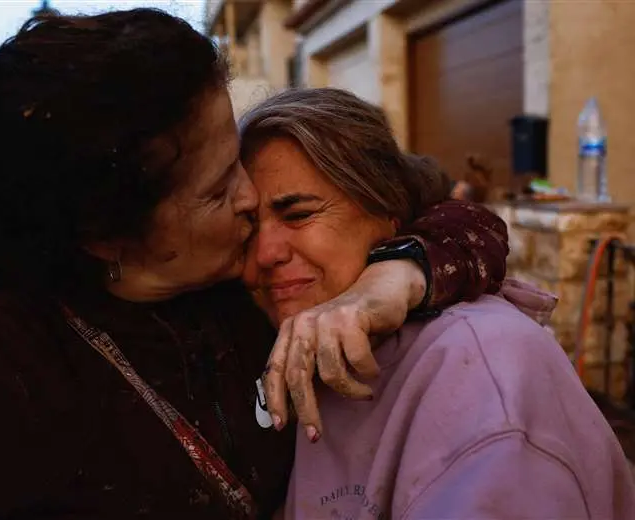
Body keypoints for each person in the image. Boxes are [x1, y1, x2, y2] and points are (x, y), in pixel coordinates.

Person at [0, 10, 508, 520]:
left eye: (236, 158)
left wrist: (393, 276)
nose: (249, 196)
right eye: (215, 190)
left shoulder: (243, 282)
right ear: (105, 237)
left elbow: (461, 218)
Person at [240, 87, 635, 520]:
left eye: (298, 215)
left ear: (387, 211)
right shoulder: (273, 336)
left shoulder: (482, 374)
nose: (264, 254)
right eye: (246, 227)